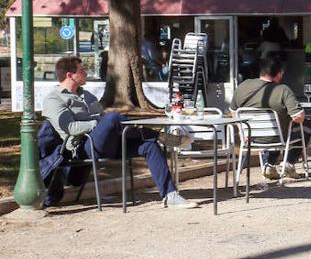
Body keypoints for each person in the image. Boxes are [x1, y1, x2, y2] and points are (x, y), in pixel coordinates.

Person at [42, 56, 197, 208]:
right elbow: (70, 128)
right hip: (83, 146)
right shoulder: (54, 99)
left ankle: (170, 195)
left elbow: (103, 118)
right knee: (112, 117)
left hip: (107, 142)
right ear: (70, 75)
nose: (86, 73)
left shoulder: (87, 95)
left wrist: (102, 122)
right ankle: (157, 134)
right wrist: (97, 123)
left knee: (149, 145)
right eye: (82, 70)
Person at [232, 56, 311, 178]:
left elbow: (233, 111)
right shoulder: (283, 90)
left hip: (251, 137)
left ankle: (268, 165)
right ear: (279, 73)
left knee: (279, 131)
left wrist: (241, 130)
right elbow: (298, 117)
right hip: (278, 137)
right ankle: (288, 163)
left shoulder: (243, 86)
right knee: (308, 126)